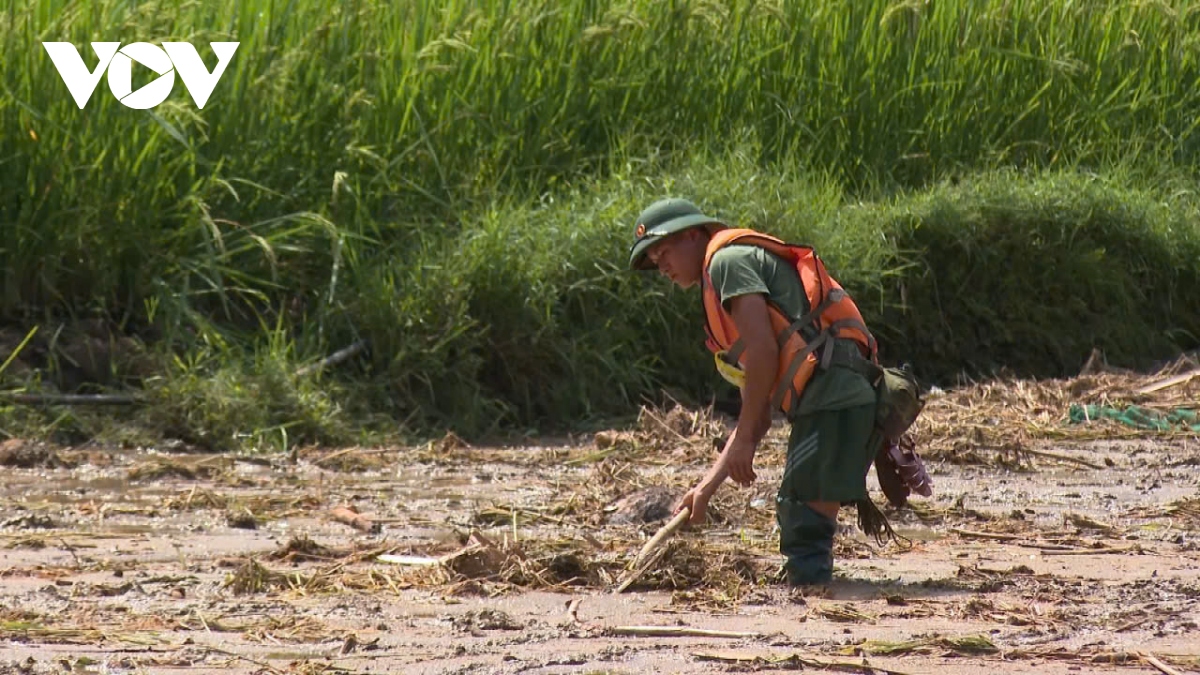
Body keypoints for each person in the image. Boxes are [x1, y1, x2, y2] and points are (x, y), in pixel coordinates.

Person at [627, 197, 888, 586]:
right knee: (801, 509)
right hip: (826, 398)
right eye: (652, 259)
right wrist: (704, 490)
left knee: (801, 514)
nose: (660, 265)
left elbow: (765, 350)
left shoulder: (726, 263)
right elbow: (758, 409)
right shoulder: (718, 279)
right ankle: (811, 593)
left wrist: (747, 439)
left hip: (834, 393)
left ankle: (811, 610)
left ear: (696, 235)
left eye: (664, 250)